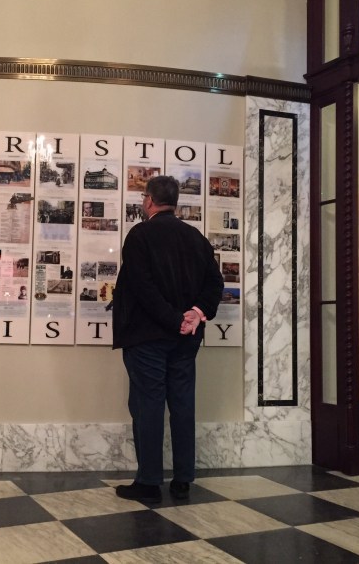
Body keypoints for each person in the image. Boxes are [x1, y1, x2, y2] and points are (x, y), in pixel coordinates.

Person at [112, 175, 223, 504]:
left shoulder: (140, 235)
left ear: (149, 200)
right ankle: (183, 479)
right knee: (183, 405)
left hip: (148, 337)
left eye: (143, 198)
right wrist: (195, 314)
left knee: (147, 405)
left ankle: (149, 483)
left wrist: (175, 320)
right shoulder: (195, 237)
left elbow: (143, 288)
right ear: (175, 202)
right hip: (186, 339)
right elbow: (215, 283)